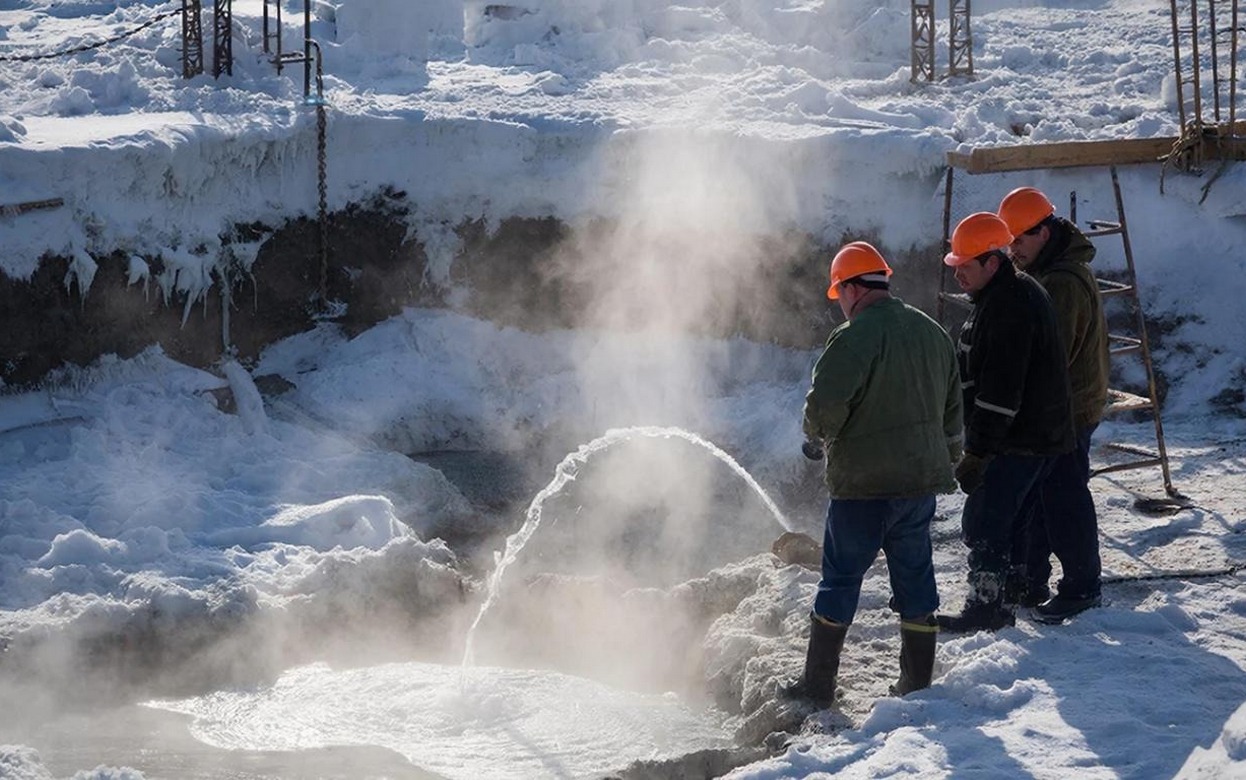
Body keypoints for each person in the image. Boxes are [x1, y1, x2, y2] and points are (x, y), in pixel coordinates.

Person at [789, 240, 963, 707]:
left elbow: (825, 405)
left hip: (864, 488)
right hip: (918, 485)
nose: (840, 305)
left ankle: (818, 689)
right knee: (916, 578)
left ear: (850, 289)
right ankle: (916, 685)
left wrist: (816, 436)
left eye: (839, 294)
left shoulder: (854, 337)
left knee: (840, 579)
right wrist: (948, 456)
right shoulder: (932, 333)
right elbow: (952, 413)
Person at [937, 212, 1075, 633]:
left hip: (1023, 437)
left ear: (992, 263)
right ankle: (1018, 587)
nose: (957, 273)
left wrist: (978, 452)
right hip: (1037, 433)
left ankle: (987, 606)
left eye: (966, 265)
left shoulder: (1009, 308)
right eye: (955, 264)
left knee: (985, 518)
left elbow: (1000, 395)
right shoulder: (1005, 294)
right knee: (1014, 517)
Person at [998, 187, 1108, 623]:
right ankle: (1032, 579)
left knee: (1064, 498)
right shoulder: (1052, 270)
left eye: (1020, 240)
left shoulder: (1062, 283)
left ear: (1043, 233)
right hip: (1061, 405)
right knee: (1043, 495)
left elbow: (1049, 356)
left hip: (1067, 409)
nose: (1013, 250)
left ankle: (1082, 587)